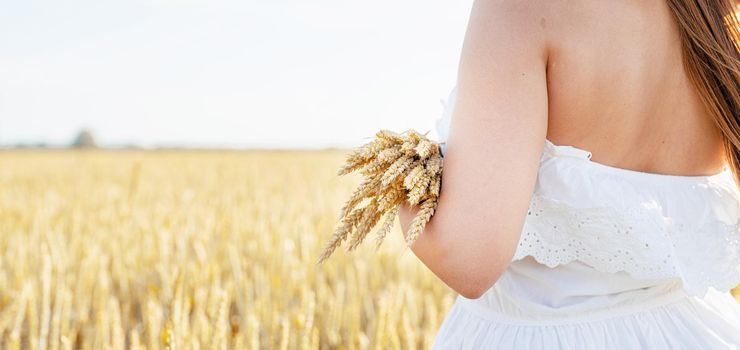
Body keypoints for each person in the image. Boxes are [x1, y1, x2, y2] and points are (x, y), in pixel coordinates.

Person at [397, 0, 740, 348]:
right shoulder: (720, 15)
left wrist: (400, 188)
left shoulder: (519, 8)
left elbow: (468, 261)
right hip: (694, 332)